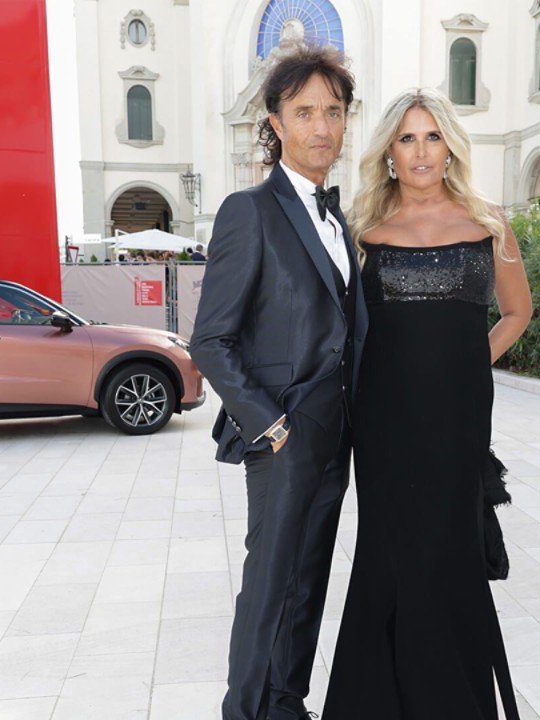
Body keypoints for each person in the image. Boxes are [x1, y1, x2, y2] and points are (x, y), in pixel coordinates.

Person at [323, 88, 532, 720]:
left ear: (450, 148)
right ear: (389, 149)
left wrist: (468, 366)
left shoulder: (489, 222)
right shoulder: (361, 230)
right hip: (383, 428)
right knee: (391, 558)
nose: (420, 151)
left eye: (433, 136)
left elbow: (519, 312)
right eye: (407, 138)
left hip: (459, 425)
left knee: (449, 555)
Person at [191, 44, 366, 720]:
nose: (322, 126)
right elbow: (210, 337)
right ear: (276, 120)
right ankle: (247, 711)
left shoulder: (339, 218)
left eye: (333, 111)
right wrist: (271, 426)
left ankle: (285, 703)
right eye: (305, 112)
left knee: (308, 580)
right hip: (285, 436)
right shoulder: (250, 211)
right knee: (269, 584)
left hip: (338, 433)